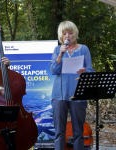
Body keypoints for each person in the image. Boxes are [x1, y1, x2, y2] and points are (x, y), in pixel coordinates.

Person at [49, 21, 94, 150]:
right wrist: (59, 56)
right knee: (59, 133)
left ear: (74, 34)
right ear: (61, 36)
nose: (67, 36)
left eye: (70, 33)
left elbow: (91, 70)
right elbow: (53, 70)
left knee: (78, 133)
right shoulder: (58, 49)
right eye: (64, 34)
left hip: (78, 95)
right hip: (59, 95)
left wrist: (85, 71)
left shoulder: (83, 49)